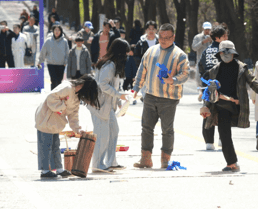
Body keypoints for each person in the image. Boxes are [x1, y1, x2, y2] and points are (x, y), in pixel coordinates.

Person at [200, 40, 258, 172]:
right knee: (224, 133)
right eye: (223, 52)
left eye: (228, 52)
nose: (225, 55)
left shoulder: (242, 68)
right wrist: (205, 106)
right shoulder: (214, 70)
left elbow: (254, 82)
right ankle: (232, 163)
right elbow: (209, 91)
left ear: (233, 54)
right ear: (219, 54)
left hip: (237, 106)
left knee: (225, 133)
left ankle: (232, 162)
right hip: (221, 106)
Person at [132, 23, 190, 169]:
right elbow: (142, 70)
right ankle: (146, 158)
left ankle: (165, 159)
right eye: (161, 37)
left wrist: (173, 80)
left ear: (173, 37)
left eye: (167, 37)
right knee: (146, 127)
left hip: (169, 98)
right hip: (150, 95)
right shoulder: (151, 51)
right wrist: (136, 87)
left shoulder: (180, 55)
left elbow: (185, 74)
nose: (163, 40)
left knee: (167, 130)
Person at [35, 75, 100, 178]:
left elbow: (73, 114)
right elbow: (51, 97)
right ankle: (45, 170)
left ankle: (59, 169)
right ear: (84, 86)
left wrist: (78, 129)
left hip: (55, 123)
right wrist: (63, 106)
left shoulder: (76, 96)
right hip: (45, 119)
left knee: (55, 146)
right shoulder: (67, 88)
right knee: (45, 146)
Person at [90, 39, 131, 172]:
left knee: (114, 131)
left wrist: (120, 103)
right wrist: (120, 96)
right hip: (100, 106)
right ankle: (97, 164)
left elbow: (115, 86)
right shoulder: (109, 65)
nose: (127, 56)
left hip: (108, 106)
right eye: (125, 53)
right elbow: (103, 85)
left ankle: (111, 161)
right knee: (102, 135)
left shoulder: (114, 65)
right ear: (120, 53)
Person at [197, 25, 228, 149]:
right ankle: (222, 138)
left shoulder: (207, 50)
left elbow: (200, 66)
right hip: (222, 86)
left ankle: (209, 142)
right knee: (223, 111)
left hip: (208, 86)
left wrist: (204, 81)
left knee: (208, 111)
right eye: (224, 36)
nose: (226, 38)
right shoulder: (224, 51)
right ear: (218, 38)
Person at [37, 25, 70, 90]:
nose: (57, 31)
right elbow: (43, 52)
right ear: (53, 31)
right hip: (51, 64)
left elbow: (67, 53)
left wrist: (66, 62)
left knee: (59, 81)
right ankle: (52, 96)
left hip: (61, 64)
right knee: (53, 80)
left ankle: (58, 96)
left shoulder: (64, 41)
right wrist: (40, 61)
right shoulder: (48, 41)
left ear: (61, 32)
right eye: (55, 30)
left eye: (58, 30)